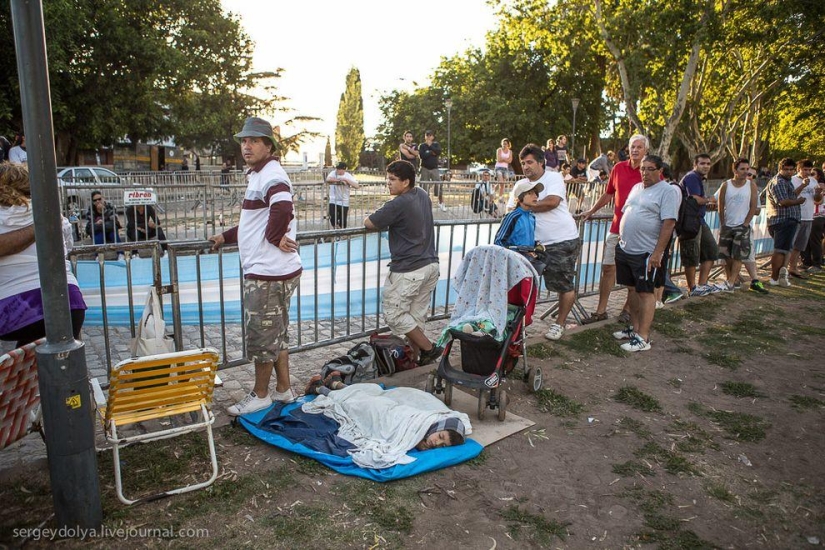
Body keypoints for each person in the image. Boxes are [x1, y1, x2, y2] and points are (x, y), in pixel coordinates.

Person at [208, 116, 303, 416]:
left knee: (263, 338)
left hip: (268, 273)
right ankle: (284, 390)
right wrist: (226, 235)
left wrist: (275, 237)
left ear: (268, 145)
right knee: (277, 335)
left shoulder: (272, 174)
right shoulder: (258, 175)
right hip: (271, 270)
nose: (246, 146)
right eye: (243, 141)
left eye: (253, 141)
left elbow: (283, 207)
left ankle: (260, 394)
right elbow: (253, 223)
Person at [364, 160, 442, 365]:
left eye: (392, 179)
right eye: (387, 179)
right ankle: (415, 360)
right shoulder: (422, 194)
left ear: (406, 181)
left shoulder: (398, 203)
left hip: (409, 269)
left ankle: (429, 348)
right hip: (430, 265)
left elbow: (370, 222)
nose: (387, 183)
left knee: (395, 314)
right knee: (416, 317)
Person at [0, 163, 87, 347]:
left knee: (29, 360)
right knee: (60, 365)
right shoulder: (52, 212)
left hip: (16, 308)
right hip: (68, 299)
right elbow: (67, 247)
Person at [511, 144, 580, 341]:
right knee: (523, 285)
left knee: (563, 284)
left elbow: (552, 202)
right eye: (523, 163)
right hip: (532, 246)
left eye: (530, 162)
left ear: (541, 163)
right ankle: (519, 325)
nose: (526, 166)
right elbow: (510, 210)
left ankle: (560, 324)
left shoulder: (553, 178)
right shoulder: (521, 185)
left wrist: (525, 206)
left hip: (561, 240)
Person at [612, 155, 681, 352]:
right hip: (626, 248)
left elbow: (668, 223)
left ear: (660, 171)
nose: (645, 173)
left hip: (646, 252)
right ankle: (634, 329)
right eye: (643, 168)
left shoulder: (666, 191)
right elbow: (627, 211)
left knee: (645, 292)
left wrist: (658, 253)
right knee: (631, 289)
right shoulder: (636, 188)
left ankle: (643, 336)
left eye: (650, 169)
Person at [580, 134, 650, 324]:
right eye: (632, 147)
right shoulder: (618, 168)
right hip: (616, 227)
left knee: (633, 272)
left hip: (638, 231)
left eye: (639, 147)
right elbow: (609, 193)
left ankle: (627, 309)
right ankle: (600, 311)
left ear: (646, 150)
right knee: (608, 268)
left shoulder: (648, 172)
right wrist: (591, 210)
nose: (635, 150)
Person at [303, 374, 466, 452]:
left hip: (382, 417)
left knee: (355, 404)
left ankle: (319, 388)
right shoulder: (426, 421)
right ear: (439, 427)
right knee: (364, 398)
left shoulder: (424, 437)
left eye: (442, 445)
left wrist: (419, 442)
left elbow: (406, 438)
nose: (436, 442)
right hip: (391, 411)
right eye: (441, 437)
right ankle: (335, 384)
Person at [678, 154, 721, 297]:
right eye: (702, 163)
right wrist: (710, 200)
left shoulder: (699, 179)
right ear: (695, 164)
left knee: (711, 251)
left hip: (700, 221)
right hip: (689, 222)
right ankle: (692, 287)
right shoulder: (692, 177)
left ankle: (702, 285)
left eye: (708, 163)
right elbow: (695, 199)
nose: (706, 166)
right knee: (691, 255)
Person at [716, 158, 759, 292]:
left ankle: (731, 281)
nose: (745, 172)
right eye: (742, 169)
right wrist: (723, 223)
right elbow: (720, 205)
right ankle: (731, 280)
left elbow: (753, 206)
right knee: (726, 255)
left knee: (738, 255)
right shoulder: (726, 185)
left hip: (742, 225)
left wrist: (745, 223)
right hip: (728, 224)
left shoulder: (751, 185)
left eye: (747, 169)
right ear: (735, 170)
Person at [765, 158, 805, 287]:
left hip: (790, 220)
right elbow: (783, 201)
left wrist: (802, 187)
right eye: (785, 169)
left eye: (791, 170)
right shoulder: (779, 182)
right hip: (782, 220)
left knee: (786, 250)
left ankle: (782, 277)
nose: (788, 172)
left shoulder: (787, 181)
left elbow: (791, 196)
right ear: (780, 169)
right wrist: (798, 202)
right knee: (780, 250)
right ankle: (774, 278)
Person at [494, 179, 545, 275]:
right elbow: (499, 242)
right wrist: (520, 251)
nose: (535, 196)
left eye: (536, 194)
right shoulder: (512, 216)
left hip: (528, 265)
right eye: (530, 193)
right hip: (512, 267)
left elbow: (524, 239)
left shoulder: (532, 217)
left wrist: (535, 245)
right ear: (520, 198)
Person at [787, 159, 822, 279]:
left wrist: (818, 193)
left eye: (809, 170)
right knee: (790, 245)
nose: (807, 172)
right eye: (804, 170)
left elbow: (818, 200)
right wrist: (803, 185)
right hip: (794, 216)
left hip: (808, 217)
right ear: (798, 169)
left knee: (800, 246)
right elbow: (790, 197)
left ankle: (793, 268)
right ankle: (783, 269)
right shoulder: (792, 180)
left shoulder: (813, 181)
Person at [802, 167, 825, 272]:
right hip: (810, 216)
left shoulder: (820, 185)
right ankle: (807, 262)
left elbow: (818, 201)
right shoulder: (810, 184)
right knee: (806, 240)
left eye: (813, 174)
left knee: (814, 241)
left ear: (818, 176)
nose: (809, 175)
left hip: (817, 216)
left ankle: (817, 264)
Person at [326, 161, 360, 229]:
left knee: (343, 220)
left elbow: (357, 186)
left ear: (344, 169)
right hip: (333, 200)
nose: (337, 170)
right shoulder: (333, 173)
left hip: (344, 201)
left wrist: (346, 180)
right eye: (337, 168)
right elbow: (328, 179)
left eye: (339, 169)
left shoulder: (348, 176)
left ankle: (342, 233)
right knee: (332, 217)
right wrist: (339, 181)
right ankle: (336, 230)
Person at [418, 131, 444, 211]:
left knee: (439, 184)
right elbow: (422, 156)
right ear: (425, 137)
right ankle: (425, 204)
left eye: (430, 135)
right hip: (425, 168)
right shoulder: (422, 146)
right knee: (424, 186)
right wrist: (431, 152)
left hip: (434, 168)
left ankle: (441, 202)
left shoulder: (436, 144)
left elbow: (438, 152)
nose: (429, 137)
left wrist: (431, 147)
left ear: (433, 137)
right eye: (427, 135)